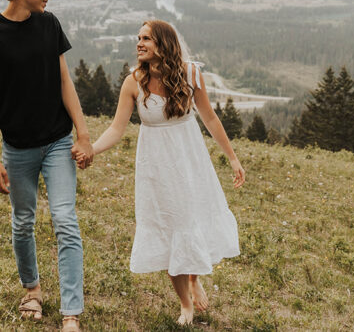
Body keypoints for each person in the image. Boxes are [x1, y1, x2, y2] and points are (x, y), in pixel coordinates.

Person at [81, 19, 244, 325]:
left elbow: (209, 118)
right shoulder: (133, 82)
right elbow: (117, 129)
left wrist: (233, 159)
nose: (139, 43)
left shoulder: (191, 73)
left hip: (189, 157)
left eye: (147, 39)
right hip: (156, 165)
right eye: (138, 38)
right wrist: (92, 150)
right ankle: (185, 305)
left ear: (164, 44)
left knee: (191, 219)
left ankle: (194, 277)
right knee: (171, 226)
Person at [0, 0, 94, 332]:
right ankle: (32, 290)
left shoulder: (49, 25)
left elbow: (65, 81)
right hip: (17, 147)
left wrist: (82, 133)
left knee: (65, 220)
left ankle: (71, 311)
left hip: (57, 142)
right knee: (23, 222)